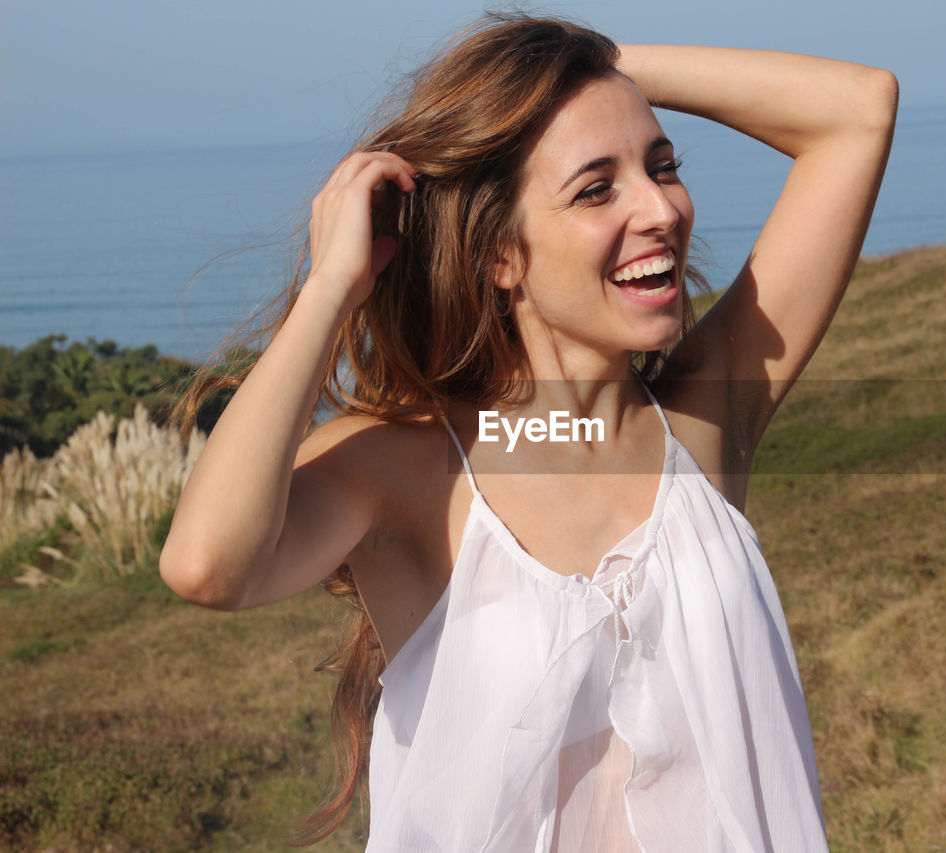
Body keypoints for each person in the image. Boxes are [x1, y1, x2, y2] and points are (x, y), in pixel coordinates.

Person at [160, 13, 896, 851]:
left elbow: (857, 111)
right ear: (500, 256)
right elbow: (206, 565)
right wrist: (335, 284)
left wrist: (593, 70)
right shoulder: (404, 467)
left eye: (663, 167)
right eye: (595, 188)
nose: (660, 208)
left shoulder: (701, 421)